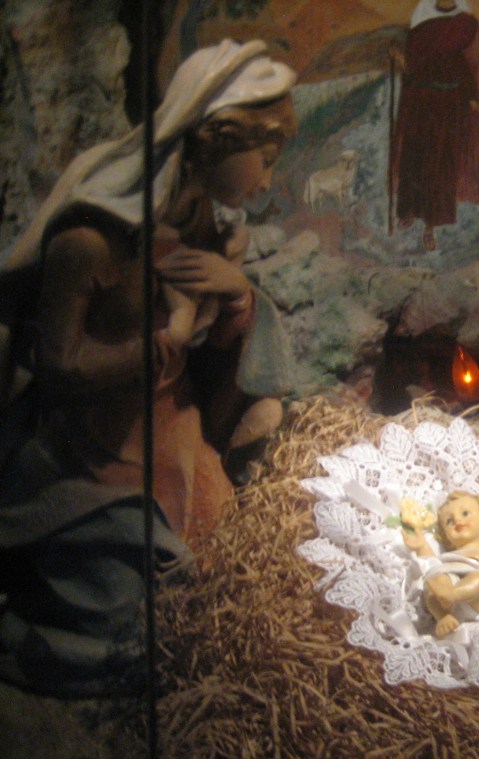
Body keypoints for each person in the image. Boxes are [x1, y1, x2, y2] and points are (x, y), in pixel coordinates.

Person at [0, 39, 297, 695]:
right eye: (266, 158)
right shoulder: (90, 240)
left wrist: (236, 294)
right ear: (216, 140)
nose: (267, 181)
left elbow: (220, 351)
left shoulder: (206, 226)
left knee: (220, 582)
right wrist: (159, 345)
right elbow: (59, 367)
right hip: (91, 453)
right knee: (122, 616)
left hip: (175, 435)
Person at [388, 0, 479, 252]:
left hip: (446, 106)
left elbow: (466, 66)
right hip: (419, 103)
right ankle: (407, 211)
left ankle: (430, 226)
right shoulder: (421, 20)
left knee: (439, 165)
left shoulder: (465, 23)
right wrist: (400, 59)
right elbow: (414, 66)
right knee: (414, 159)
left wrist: (471, 97)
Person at [402, 490, 479, 638]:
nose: (457, 520)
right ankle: (443, 617)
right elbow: (431, 563)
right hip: (447, 600)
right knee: (433, 581)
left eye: (465, 513)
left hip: (474, 600)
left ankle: (451, 595)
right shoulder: (448, 557)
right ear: (447, 536)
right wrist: (421, 546)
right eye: (449, 521)